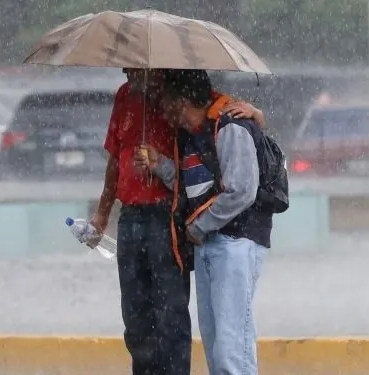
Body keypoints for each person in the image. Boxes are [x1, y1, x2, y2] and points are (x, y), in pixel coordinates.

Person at [88, 68, 265, 375]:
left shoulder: (178, 88)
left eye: (133, 64)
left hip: (170, 217)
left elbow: (222, 114)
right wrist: (103, 213)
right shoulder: (125, 96)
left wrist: (257, 114)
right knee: (138, 319)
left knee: (179, 321)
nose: (126, 70)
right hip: (136, 217)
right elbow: (117, 158)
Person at [143, 69, 270, 375]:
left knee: (231, 344)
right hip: (208, 244)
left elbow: (242, 190)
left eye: (167, 102)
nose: (163, 110)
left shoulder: (229, 127)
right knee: (215, 342)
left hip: (235, 242)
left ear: (182, 101)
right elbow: (193, 187)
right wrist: (159, 165)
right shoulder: (194, 136)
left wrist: (199, 227)